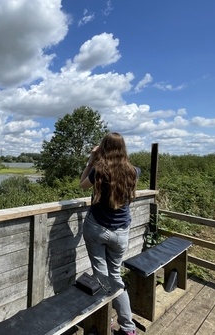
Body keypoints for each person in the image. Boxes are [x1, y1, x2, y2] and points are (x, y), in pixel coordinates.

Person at [80, 132, 140, 335]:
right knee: (115, 277)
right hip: (121, 231)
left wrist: (91, 159)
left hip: (96, 228)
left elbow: (82, 184)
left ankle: (106, 323)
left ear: (103, 147)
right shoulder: (134, 171)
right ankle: (128, 328)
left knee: (101, 277)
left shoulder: (98, 170)